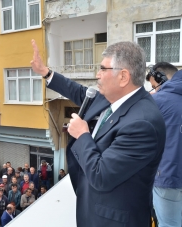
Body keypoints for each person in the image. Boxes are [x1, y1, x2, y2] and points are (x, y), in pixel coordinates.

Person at [31, 39, 166, 227]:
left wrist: (83, 135)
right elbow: (79, 92)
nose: (97, 75)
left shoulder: (142, 123)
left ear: (123, 77)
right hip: (92, 211)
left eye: (103, 69)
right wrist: (46, 73)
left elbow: (101, 175)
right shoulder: (111, 97)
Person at [149, 64, 182, 227]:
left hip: (168, 177)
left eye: (155, 86)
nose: (155, 90)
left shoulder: (157, 101)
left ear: (162, 78)